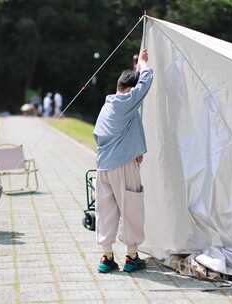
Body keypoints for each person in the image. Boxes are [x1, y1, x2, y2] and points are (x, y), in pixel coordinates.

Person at [92, 49, 153, 273]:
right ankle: (131, 257)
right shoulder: (126, 102)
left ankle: (106, 258)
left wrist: (136, 65)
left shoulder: (109, 104)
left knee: (106, 211)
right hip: (123, 166)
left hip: (103, 166)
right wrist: (144, 64)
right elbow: (145, 82)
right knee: (131, 209)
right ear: (129, 90)